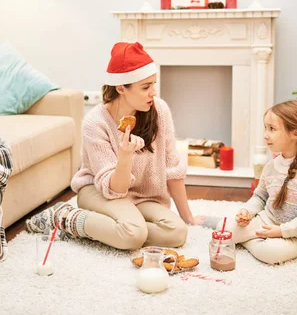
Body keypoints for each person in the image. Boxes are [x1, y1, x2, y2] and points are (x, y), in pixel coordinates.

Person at [26, 42, 203, 250]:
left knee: (177, 232)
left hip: (142, 196)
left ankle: (118, 228)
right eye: (145, 87)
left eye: (153, 84)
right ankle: (65, 217)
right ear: (121, 88)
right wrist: (125, 155)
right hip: (99, 191)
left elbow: (173, 169)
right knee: (133, 235)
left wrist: (187, 217)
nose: (153, 92)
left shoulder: (159, 111)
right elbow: (115, 189)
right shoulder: (95, 123)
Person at [205, 100, 297, 265]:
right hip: (268, 221)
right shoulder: (271, 166)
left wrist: (281, 231)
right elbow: (260, 196)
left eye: (272, 129)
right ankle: (255, 240)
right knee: (226, 231)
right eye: (265, 128)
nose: (265, 134)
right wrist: (247, 212)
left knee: (270, 253)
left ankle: (252, 241)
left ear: (296, 133)